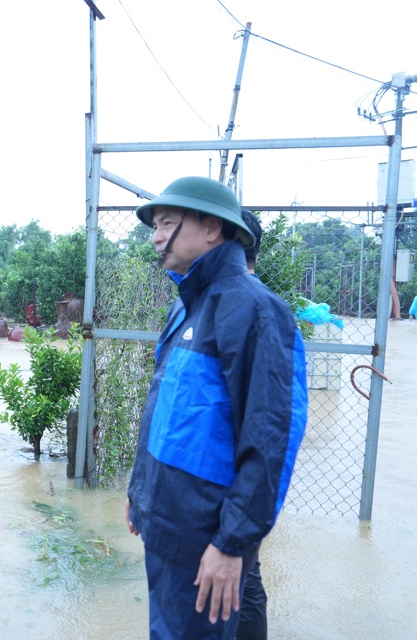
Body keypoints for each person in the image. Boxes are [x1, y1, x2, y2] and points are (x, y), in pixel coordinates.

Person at [125, 177, 308, 639]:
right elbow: (165, 409)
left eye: (167, 222)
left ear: (211, 228)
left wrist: (232, 545)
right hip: (165, 525)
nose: (156, 236)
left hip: (207, 540)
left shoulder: (256, 312)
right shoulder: (186, 305)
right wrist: (139, 492)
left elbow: (269, 440)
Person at [235, 208, 268, 640]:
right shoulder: (201, 304)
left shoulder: (258, 309)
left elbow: (269, 427)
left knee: (244, 577)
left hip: (237, 482)